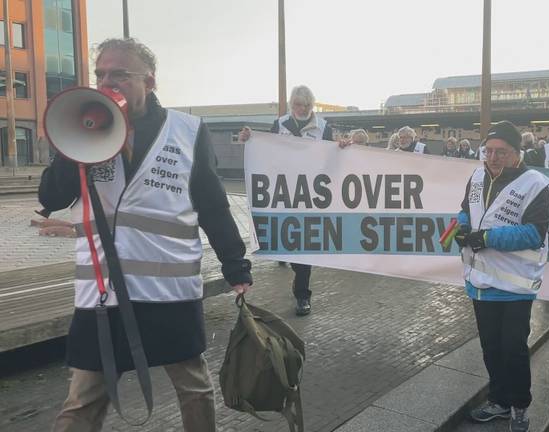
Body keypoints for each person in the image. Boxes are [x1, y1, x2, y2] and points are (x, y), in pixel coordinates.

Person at [40, 38, 252, 432]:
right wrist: (74, 145)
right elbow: (51, 195)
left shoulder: (187, 131)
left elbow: (212, 204)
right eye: (101, 74)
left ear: (149, 81)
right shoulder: (81, 127)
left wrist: (235, 265)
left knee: (193, 388)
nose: (107, 82)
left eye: (119, 74)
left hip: (167, 289)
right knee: (82, 400)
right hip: (103, 291)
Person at [457, 121, 549, 432]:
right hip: (480, 283)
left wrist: (486, 238)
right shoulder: (477, 175)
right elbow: (465, 211)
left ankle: (520, 406)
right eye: (489, 151)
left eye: (501, 152)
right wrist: (460, 227)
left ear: (516, 153)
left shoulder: (536, 183)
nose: (493, 157)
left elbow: (534, 234)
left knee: (513, 348)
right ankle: (498, 400)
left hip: (515, 285)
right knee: (490, 348)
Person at [239, 84, 340, 316]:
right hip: (283, 191)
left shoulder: (323, 127)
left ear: (311, 105)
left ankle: (303, 295)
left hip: (311, 193)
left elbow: (332, 155)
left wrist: (342, 147)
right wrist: (250, 138)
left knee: (305, 246)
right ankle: (296, 271)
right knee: (289, 241)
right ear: (291, 105)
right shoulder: (281, 124)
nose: (301, 109)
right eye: (297, 105)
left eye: (306, 105)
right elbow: (266, 148)